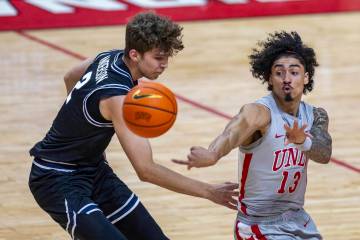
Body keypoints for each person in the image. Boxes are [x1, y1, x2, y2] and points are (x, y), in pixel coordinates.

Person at [28, 12, 238, 240]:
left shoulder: (108, 57)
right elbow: (145, 170)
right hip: (56, 179)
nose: (165, 64)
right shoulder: (117, 98)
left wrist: (82, 125)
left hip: (94, 170)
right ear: (135, 54)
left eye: (167, 57)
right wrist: (209, 191)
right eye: (158, 58)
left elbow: (70, 76)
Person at [173, 31, 332, 239]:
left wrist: (302, 141)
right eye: (279, 73)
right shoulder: (259, 112)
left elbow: (325, 154)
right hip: (258, 225)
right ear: (269, 78)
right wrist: (213, 154)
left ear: (306, 77)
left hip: (298, 219)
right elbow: (234, 130)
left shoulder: (315, 115)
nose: (286, 79)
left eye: (294, 72)